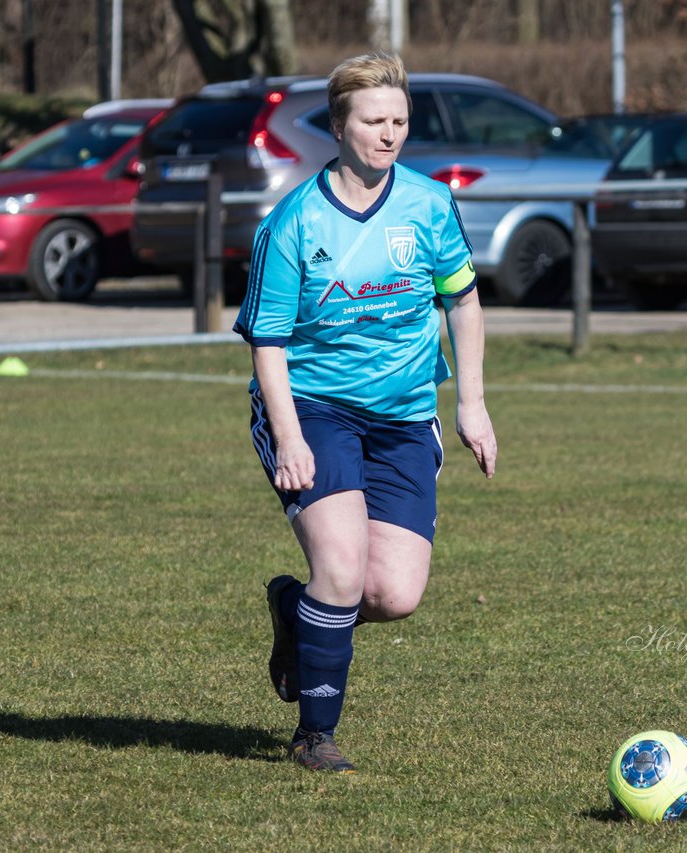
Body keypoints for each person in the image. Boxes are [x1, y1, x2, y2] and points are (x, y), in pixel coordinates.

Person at [233, 51, 497, 773]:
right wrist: (288, 436)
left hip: (406, 416)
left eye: (401, 121)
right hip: (314, 410)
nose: (390, 135)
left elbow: (463, 300)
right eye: (374, 121)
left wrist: (471, 405)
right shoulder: (292, 222)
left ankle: (295, 609)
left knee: (393, 593)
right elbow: (268, 341)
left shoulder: (429, 203)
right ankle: (315, 734)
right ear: (338, 125)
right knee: (344, 570)